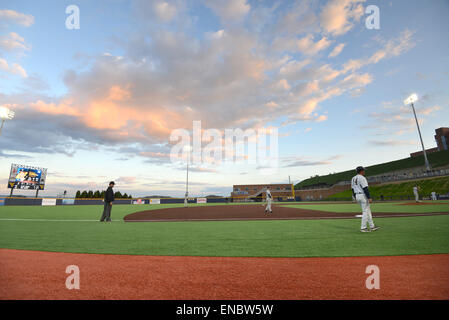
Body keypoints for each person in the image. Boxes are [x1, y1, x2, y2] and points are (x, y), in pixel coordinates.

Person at [351, 167, 380, 233]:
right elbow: (365, 188)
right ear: (361, 171)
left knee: (367, 211)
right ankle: (363, 228)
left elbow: (352, 189)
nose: (364, 171)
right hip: (362, 195)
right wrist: (369, 197)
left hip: (357, 195)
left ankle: (372, 226)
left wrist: (355, 197)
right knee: (365, 211)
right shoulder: (362, 178)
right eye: (364, 170)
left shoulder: (353, 178)